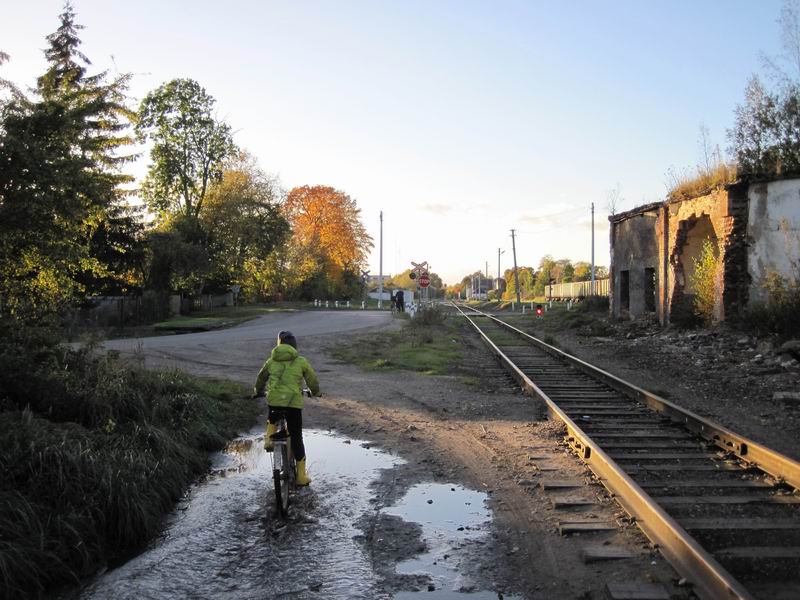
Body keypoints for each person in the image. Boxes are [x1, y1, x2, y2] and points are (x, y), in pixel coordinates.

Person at [253, 330, 320, 486]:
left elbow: (261, 377)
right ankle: (301, 477)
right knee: (297, 438)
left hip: (275, 401)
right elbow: (312, 379)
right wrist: (315, 392)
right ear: (294, 347)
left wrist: (258, 392)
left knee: (272, 416)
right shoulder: (301, 361)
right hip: (293, 404)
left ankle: (269, 439)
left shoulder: (271, 361)